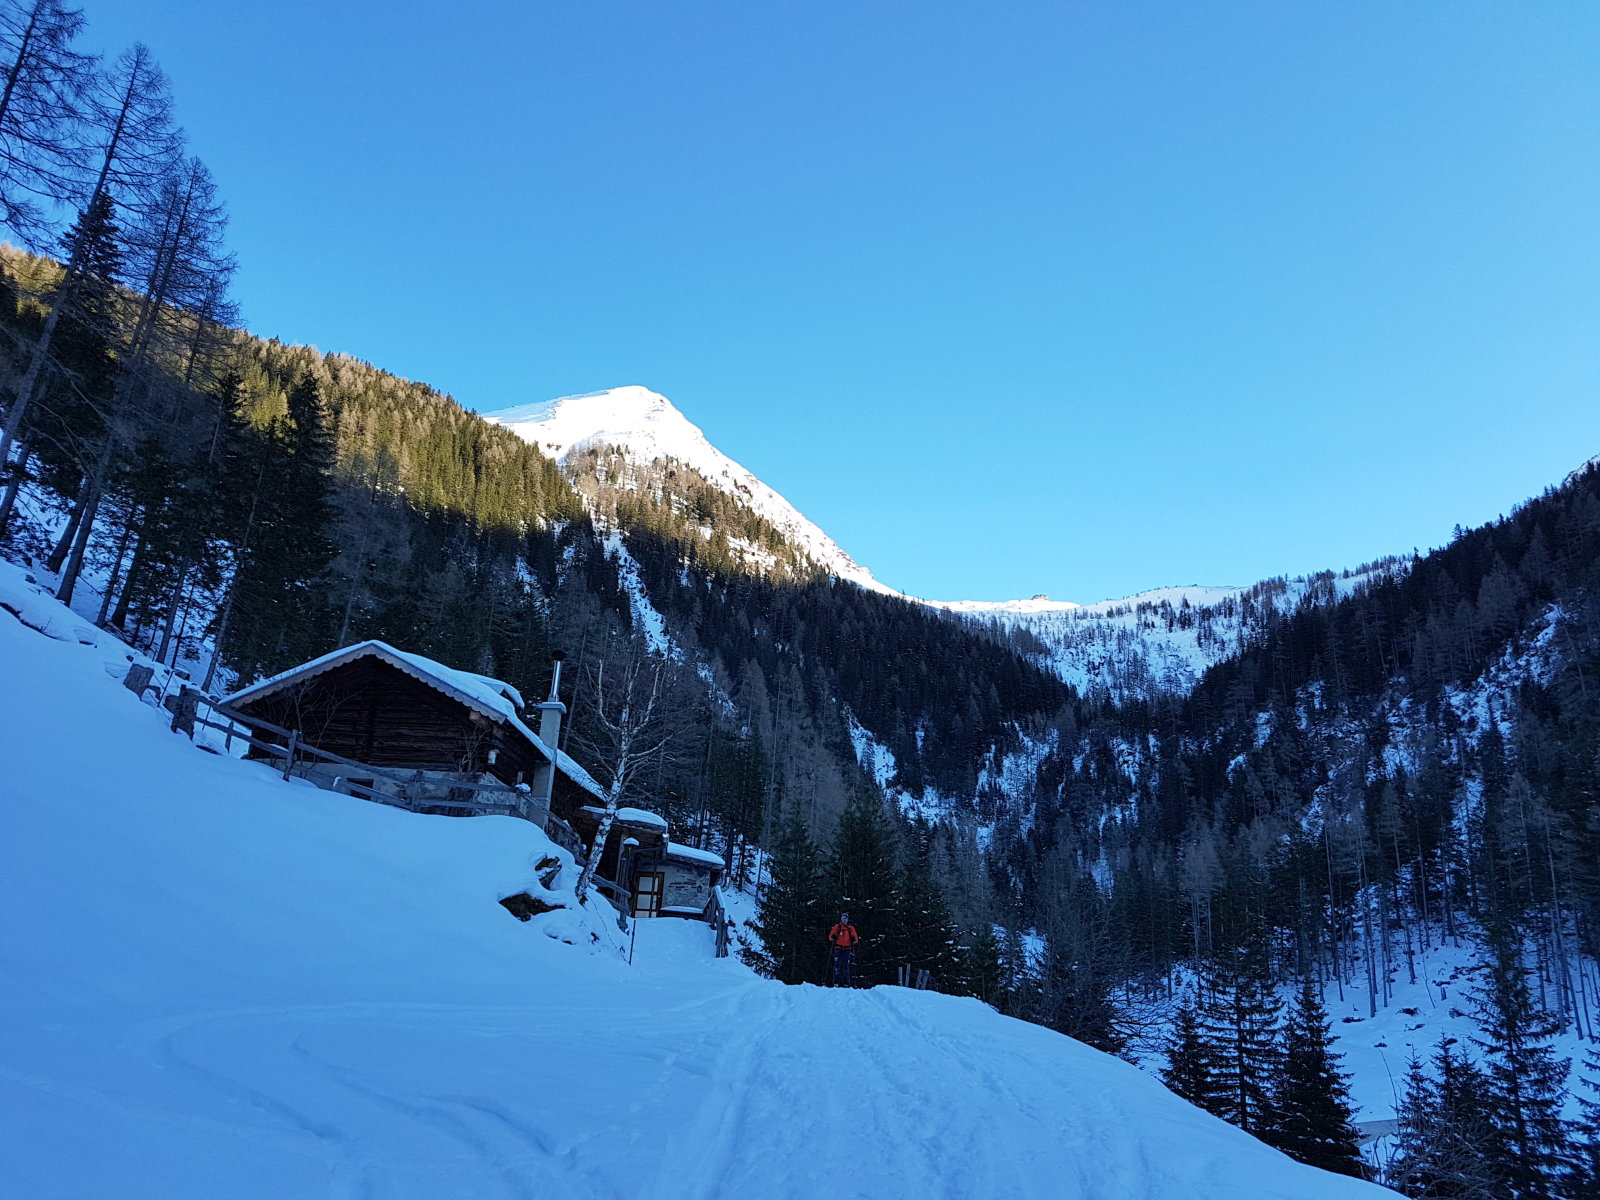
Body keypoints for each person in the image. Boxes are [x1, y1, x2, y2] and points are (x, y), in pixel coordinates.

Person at [827, 913, 859, 986]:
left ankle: (846, 983)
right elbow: (830, 936)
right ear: (841, 919)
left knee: (846, 966)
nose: (844, 920)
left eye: (845, 918)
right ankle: (836, 982)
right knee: (837, 965)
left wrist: (853, 939)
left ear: (847, 919)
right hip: (838, 948)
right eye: (843, 918)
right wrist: (833, 937)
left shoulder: (851, 928)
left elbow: (856, 940)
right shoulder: (837, 927)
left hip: (847, 949)